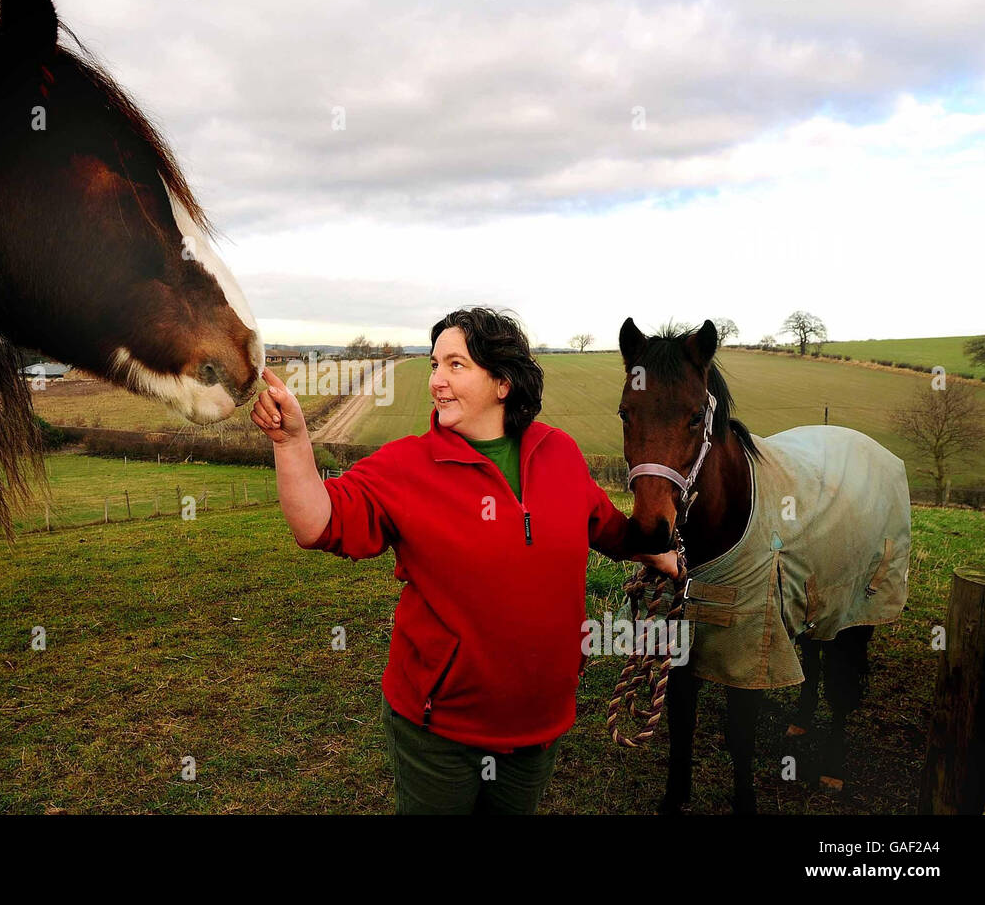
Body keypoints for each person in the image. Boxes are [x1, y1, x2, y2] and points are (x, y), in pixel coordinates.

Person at [251, 307, 675, 814]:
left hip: (538, 724)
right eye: (434, 365)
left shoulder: (558, 451)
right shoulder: (405, 465)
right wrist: (293, 443)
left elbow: (606, 528)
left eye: (455, 365)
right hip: (440, 732)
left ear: (503, 382)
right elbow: (318, 523)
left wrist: (659, 552)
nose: (436, 381)